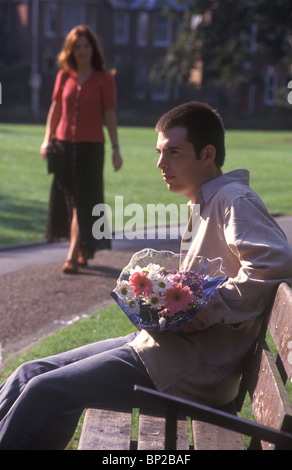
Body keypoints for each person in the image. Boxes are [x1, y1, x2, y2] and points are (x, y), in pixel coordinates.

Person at [1, 102, 292, 449]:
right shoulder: (208, 201)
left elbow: (274, 264)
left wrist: (198, 312)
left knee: (45, 392)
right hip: (168, 348)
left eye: (173, 152)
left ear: (207, 155)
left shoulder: (234, 200)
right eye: (159, 152)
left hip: (188, 369)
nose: (161, 164)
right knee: (28, 373)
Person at [40, 25, 122, 274]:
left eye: (86, 46)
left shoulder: (104, 79)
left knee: (84, 201)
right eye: (78, 46)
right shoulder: (64, 76)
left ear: (93, 49)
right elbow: (55, 110)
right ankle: (83, 249)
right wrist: (47, 139)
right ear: (71, 50)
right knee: (69, 200)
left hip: (91, 148)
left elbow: (109, 116)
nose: (82, 50)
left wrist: (116, 148)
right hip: (63, 147)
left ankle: (73, 254)